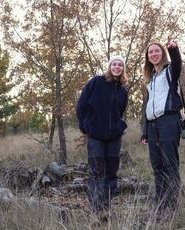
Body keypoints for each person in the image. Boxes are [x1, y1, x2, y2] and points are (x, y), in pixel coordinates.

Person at [76, 55, 128, 216]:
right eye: (114, 64)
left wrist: (117, 126)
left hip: (114, 137)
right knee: (96, 172)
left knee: (111, 173)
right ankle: (95, 210)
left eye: (120, 65)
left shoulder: (122, 91)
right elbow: (81, 105)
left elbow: (120, 112)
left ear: (123, 69)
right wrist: (84, 126)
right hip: (95, 135)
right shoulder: (96, 82)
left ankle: (105, 208)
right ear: (109, 66)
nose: (117, 67)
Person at [141, 38, 182, 219]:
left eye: (157, 51)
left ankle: (171, 208)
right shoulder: (150, 80)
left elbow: (178, 64)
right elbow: (148, 106)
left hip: (169, 122)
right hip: (152, 126)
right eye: (151, 52)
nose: (154, 54)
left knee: (170, 165)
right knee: (157, 167)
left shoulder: (170, 72)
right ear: (148, 57)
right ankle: (160, 205)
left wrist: (174, 49)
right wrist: (144, 131)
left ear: (162, 54)